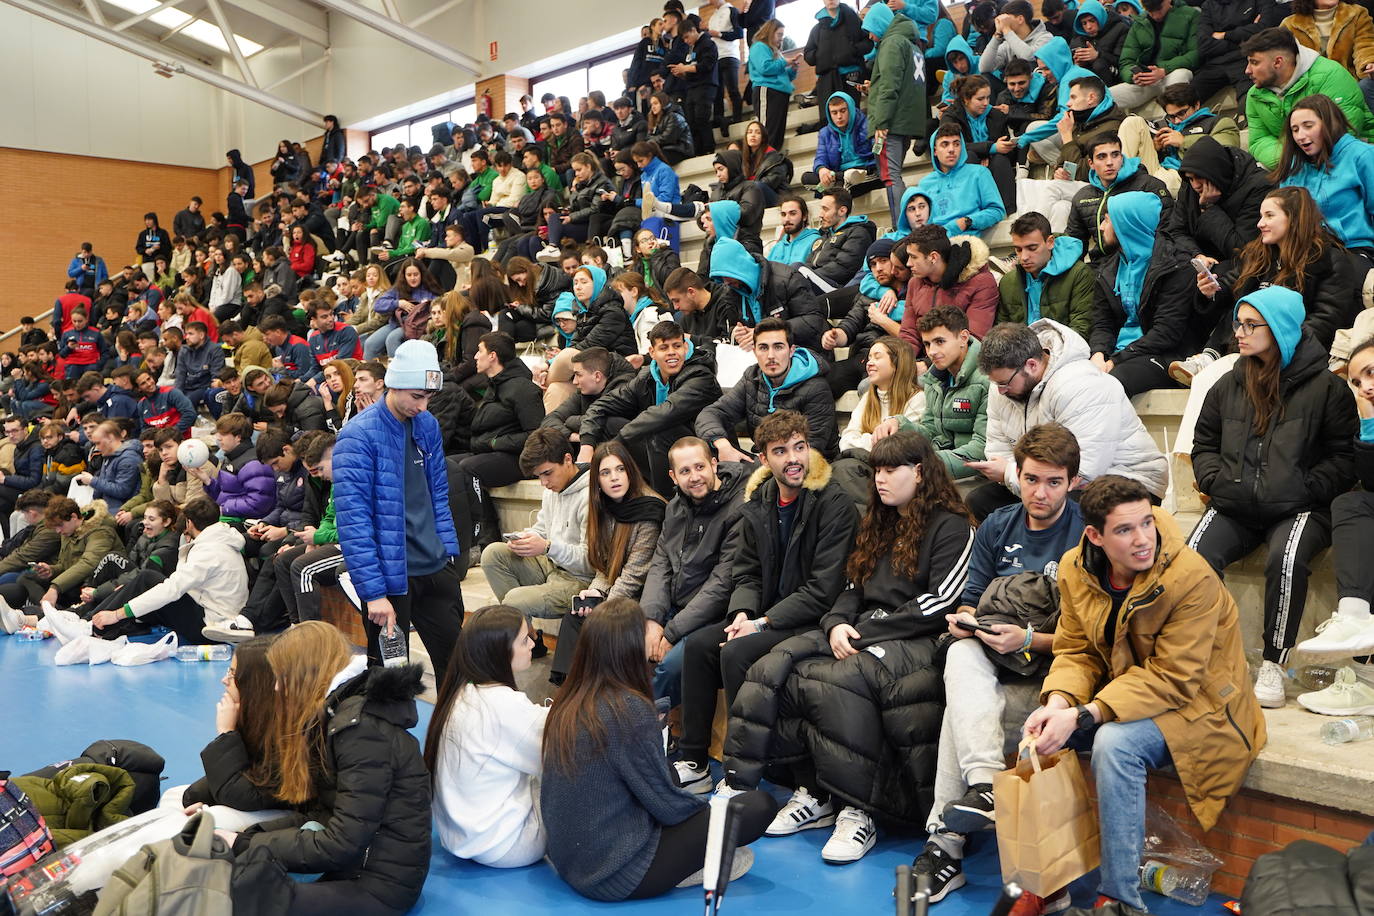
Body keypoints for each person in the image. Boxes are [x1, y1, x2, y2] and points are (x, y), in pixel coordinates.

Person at [723, 431, 973, 864]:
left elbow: (940, 602)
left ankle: (859, 811)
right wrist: (837, 622)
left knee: (839, 680)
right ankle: (764, 786)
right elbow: (852, 585)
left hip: (916, 638)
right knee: (776, 664)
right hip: (859, 628)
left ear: (919, 471)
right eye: (876, 469)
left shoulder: (952, 524)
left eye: (891, 469)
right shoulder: (879, 520)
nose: (880, 479)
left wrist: (863, 633)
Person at [1023, 475, 1265, 914]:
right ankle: (1048, 885)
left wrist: (1085, 715)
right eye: (1124, 530)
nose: (1142, 540)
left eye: (1146, 524)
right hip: (1128, 694)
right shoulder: (1076, 569)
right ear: (1095, 535)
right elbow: (1076, 650)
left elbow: (1176, 678)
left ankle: (1119, 901)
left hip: (1202, 706)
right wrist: (1058, 702)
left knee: (1114, 745)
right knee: (1034, 739)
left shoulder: (1191, 576)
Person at [910, 424, 1087, 905]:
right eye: (1031, 480)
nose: (1040, 492)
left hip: (1054, 670)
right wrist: (968, 621)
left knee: (958, 714)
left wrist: (1029, 638)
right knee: (959, 650)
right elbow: (969, 600)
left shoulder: (1087, 532)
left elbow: (1092, 639)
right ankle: (984, 786)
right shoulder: (996, 525)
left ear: (1072, 481)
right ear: (1018, 477)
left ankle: (944, 845)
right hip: (990, 656)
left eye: (1053, 482)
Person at [541, 596, 778, 901]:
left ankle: (699, 853)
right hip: (615, 872)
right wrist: (707, 821)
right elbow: (667, 805)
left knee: (675, 779)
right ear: (630, 648)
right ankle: (700, 861)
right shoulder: (628, 708)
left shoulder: (568, 700)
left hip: (569, 860)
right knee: (759, 806)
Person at [674, 410, 859, 794]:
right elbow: (747, 572)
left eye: (799, 447)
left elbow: (824, 589)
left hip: (813, 618)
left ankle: (750, 769)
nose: (793, 458)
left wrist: (761, 623)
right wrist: (742, 612)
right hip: (767, 614)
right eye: (780, 451)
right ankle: (694, 759)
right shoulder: (758, 500)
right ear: (763, 459)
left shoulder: (833, 501)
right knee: (698, 647)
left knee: (735, 652)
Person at [1188, 286, 1357, 706]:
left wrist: (1303, 488)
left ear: (1279, 328)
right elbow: (1203, 444)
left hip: (1300, 508)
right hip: (1235, 502)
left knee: (1286, 560)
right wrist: (1214, 481)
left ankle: (1274, 665)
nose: (1239, 335)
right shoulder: (1228, 383)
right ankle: (1199, 657)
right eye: (1237, 325)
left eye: (1250, 326)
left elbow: (1343, 458)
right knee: (1191, 560)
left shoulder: (1326, 388)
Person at [223, 622, 431, 915]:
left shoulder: (360, 731)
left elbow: (341, 843)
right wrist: (244, 838)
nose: (277, 687)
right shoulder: (337, 714)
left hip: (377, 884)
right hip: (355, 866)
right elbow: (321, 814)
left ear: (307, 672)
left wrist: (245, 844)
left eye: (282, 676)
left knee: (238, 901)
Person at [333, 339, 464, 681]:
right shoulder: (357, 436)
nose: (423, 406)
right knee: (391, 677)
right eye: (416, 396)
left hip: (435, 567)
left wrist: (448, 550)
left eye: (429, 397)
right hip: (391, 580)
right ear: (392, 384)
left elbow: (438, 492)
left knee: (458, 671)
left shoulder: (428, 425)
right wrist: (373, 591)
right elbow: (354, 520)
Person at [968, 320, 1169, 520]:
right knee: (980, 502)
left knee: (1061, 511)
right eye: (996, 383)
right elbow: (998, 450)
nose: (1000, 391)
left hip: (1123, 479)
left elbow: (1084, 471)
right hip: (1043, 480)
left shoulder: (1081, 384)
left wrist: (1011, 474)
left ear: (1031, 365)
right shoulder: (1003, 386)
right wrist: (1015, 475)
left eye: (1004, 383)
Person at [1173, 186, 1359, 383]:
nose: (1260, 224)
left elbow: (1327, 318)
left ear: (1294, 218)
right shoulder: (1260, 254)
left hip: (1297, 348)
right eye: (1261, 216)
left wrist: (1276, 341)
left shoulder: (1330, 259)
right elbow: (1231, 284)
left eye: (1269, 216)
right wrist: (1211, 291)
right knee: (1245, 304)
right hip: (1252, 344)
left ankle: (1213, 359)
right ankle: (1210, 356)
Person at [425, 605, 549, 868]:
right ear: (500, 652)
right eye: (524, 640)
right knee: (577, 769)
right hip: (507, 845)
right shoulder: (504, 705)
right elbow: (554, 756)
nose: (532, 644)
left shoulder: (461, 693)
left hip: (462, 836)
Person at [641, 437, 748, 707]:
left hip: (710, 618)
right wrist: (652, 620)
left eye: (700, 467)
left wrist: (671, 633)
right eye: (685, 471)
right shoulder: (674, 508)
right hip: (673, 609)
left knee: (672, 666)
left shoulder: (738, 509)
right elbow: (660, 565)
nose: (695, 477)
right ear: (673, 477)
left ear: (714, 464)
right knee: (620, 644)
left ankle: (647, 728)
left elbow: (722, 585)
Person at [549, 442, 666, 679]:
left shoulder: (649, 509)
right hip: (620, 592)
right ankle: (566, 693)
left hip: (644, 598)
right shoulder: (607, 508)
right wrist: (595, 592)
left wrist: (604, 606)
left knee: (596, 624)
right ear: (597, 481)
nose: (614, 478)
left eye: (620, 469)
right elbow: (605, 565)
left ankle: (588, 697)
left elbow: (635, 575)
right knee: (575, 616)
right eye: (605, 472)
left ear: (630, 472)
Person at [1293, 341, 1374, 670]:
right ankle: (1354, 615)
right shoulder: (1366, 415)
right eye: (1356, 381)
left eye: (1370, 373)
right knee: (1351, 505)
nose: (1364, 387)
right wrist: (1368, 428)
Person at [578, 321, 722, 495]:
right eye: (664, 348)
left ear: (685, 347)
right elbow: (602, 405)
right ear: (652, 352)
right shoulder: (646, 377)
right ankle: (629, 493)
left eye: (677, 346)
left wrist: (617, 442)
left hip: (705, 451)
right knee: (609, 423)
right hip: (664, 452)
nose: (671, 353)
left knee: (658, 430)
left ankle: (665, 503)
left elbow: (664, 414)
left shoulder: (700, 376)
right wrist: (587, 444)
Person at [81, 496, 246, 646]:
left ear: (189, 523)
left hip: (211, 628)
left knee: (147, 579)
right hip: (217, 617)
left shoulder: (209, 551)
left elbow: (173, 589)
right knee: (143, 588)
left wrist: (117, 614)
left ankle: (92, 627)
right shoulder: (222, 541)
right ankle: (89, 621)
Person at [480, 428, 593, 641]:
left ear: (568, 459)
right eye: (538, 476)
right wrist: (524, 538)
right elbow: (543, 528)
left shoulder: (590, 495)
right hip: (551, 565)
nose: (543, 482)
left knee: (513, 601)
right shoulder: (553, 489)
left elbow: (592, 563)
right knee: (492, 554)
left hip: (580, 581)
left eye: (547, 473)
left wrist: (548, 547)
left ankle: (524, 640)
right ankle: (529, 636)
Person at [1088, 191, 1198, 396]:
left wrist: (1116, 359)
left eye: (1107, 220)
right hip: (1120, 354)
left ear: (1126, 224)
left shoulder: (1176, 266)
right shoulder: (1109, 269)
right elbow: (1103, 323)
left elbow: (1166, 333)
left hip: (1165, 356)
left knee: (1110, 385)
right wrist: (1098, 355)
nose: (1102, 227)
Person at [697, 317, 839, 464]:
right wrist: (722, 444)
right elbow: (711, 413)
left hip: (809, 468)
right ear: (754, 351)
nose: (771, 356)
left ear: (791, 351)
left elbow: (810, 450)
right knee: (707, 453)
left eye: (778, 347)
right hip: (765, 460)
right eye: (763, 348)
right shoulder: (752, 377)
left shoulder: (816, 388)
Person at [1243, 26, 1374, 168]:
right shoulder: (1255, 94)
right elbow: (1259, 140)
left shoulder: (1330, 75)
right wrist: (1292, 162)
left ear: (1278, 62)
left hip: (1352, 155)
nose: (1247, 70)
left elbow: (1343, 131)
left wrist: (1299, 163)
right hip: (1294, 164)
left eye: (1254, 62)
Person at [179, 635, 282, 811]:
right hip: (254, 799)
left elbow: (244, 797)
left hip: (287, 816)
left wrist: (226, 732)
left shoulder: (285, 733)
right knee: (193, 796)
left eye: (233, 674)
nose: (224, 680)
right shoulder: (259, 717)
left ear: (256, 682)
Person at [1272, 94, 1374, 261]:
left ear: (1329, 124)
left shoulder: (1362, 155)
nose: (1300, 136)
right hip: (1304, 251)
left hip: (1352, 250)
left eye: (1308, 126)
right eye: (1295, 129)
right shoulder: (1294, 164)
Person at [832, 336, 925, 502]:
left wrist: (864, 439)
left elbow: (899, 449)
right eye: (869, 358)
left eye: (877, 357)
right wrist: (874, 439)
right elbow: (845, 441)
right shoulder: (869, 397)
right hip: (866, 467)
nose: (869, 363)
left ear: (897, 363)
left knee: (844, 471)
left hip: (897, 473)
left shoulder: (917, 399)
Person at [1162, 135, 1270, 270]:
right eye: (1190, 179)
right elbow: (1176, 231)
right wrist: (1197, 255)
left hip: (1243, 266)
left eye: (1200, 177)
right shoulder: (1190, 186)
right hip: (1200, 259)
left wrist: (1209, 208)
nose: (1195, 185)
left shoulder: (1258, 186)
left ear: (1216, 171)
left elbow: (1244, 250)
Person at [1063, 131, 1174, 262]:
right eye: (1101, 157)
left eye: (1115, 155)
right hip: (1102, 267)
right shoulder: (1082, 196)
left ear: (1122, 157)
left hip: (1145, 262)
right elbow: (1074, 243)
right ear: (1091, 163)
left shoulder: (1149, 186)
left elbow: (1169, 230)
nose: (1109, 162)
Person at [862, 1, 926, 226]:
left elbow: (890, 86)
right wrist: (874, 86)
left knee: (891, 177)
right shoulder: (912, 44)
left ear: (879, 24)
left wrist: (882, 121)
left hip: (891, 123)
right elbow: (899, 83)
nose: (870, 36)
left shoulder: (891, 43)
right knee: (895, 175)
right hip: (906, 121)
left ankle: (901, 226)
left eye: (870, 29)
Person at [708, 237, 828, 356]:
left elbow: (813, 321)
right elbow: (732, 327)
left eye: (727, 274)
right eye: (720, 277)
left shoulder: (787, 278)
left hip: (805, 352)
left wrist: (767, 332)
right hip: (764, 357)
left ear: (739, 267)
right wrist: (737, 333)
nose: (725, 281)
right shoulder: (731, 293)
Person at [821, 238, 910, 395]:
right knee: (820, 384)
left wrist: (882, 320)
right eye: (873, 264)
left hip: (892, 358)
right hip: (863, 355)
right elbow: (851, 323)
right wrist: (835, 336)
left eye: (883, 261)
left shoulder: (913, 293)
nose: (878, 268)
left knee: (869, 387)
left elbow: (911, 337)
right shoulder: (868, 294)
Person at [897, 225, 999, 361]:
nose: (908, 263)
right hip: (922, 359)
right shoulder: (915, 283)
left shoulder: (980, 282)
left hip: (958, 365)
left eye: (913, 257)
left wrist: (927, 366)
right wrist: (901, 365)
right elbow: (908, 333)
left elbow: (973, 340)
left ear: (933, 257)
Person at [997, 211, 1093, 336]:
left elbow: (1081, 329)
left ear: (1050, 242)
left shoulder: (1080, 274)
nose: (1024, 257)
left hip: (1065, 351)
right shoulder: (1007, 282)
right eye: (1018, 250)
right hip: (1020, 352)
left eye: (1032, 248)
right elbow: (1001, 332)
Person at [940, 75, 1018, 212]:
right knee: (969, 157)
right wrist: (991, 148)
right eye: (980, 99)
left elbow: (1003, 144)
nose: (986, 103)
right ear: (966, 99)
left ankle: (1008, 210)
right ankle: (970, 209)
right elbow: (955, 147)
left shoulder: (996, 114)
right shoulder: (951, 116)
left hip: (992, 159)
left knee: (1001, 160)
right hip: (963, 160)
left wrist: (991, 152)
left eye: (988, 97)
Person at [914, 126, 1007, 237]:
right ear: (935, 151)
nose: (951, 149)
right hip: (934, 242)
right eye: (945, 144)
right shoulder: (925, 184)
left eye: (956, 144)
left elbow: (997, 211)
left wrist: (966, 221)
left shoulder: (979, 173)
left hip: (966, 238)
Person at [1110, 0, 1198, 111]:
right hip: (1146, 81)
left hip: (1173, 73)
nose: (1155, 16)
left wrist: (1164, 70)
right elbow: (1126, 61)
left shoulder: (1190, 15)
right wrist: (1133, 76)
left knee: (1179, 78)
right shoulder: (1139, 23)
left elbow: (1196, 54)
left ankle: (1177, 122)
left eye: (1159, 9)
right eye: (1150, 11)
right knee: (1107, 96)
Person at [804, 0, 871, 132]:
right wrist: (822, 55)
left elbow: (868, 42)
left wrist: (851, 50)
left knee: (852, 118)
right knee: (828, 122)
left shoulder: (853, 20)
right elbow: (808, 55)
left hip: (851, 76)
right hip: (827, 80)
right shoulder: (817, 29)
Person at [799, 187, 878, 295]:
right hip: (818, 282)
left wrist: (807, 274)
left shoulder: (858, 233)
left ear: (842, 211)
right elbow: (808, 263)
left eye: (825, 209)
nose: (820, 215)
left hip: (839, 290)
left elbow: (843, 268)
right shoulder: (823, 237)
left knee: (797, 269)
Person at [803, 94, 876, 192]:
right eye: (834, 113)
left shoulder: (867, 124)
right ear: (829, 114)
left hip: (864, 170)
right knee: (807, 178)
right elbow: (820, 157)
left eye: (843, 111)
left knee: (851, 176)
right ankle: (839, 183)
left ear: (850, 109)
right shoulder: (825, 133)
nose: (839, 116)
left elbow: (877, 152)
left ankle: (834, 187)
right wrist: (822, 169)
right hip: (839, 173)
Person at [748, 19, 796, 151]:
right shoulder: (759, 47)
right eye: (779, 34)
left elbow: (782, 74)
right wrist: (784, 62)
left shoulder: (776, 51)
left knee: (777, 133)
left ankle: (773, 161)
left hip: (780, 92)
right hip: (767, 90)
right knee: (766, 131)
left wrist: (792, 69)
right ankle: (762, 161)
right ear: (770, 32)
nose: (781, 38)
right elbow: (765, 68)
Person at [979, 0, 1055, 75]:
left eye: (1006, 19)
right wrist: (997, 35)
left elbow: (1029, 58)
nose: (1003, 23)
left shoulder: (1045, 37)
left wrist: (1007, 30)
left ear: (1020, 19)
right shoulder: (1007, 44)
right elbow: (984, 68)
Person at [1070, 0, 1131, 84]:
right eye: (1084, 23)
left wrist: (1098, 55)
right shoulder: (1079, 38)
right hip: (1092, 81)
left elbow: (1122, 61)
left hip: (1116, 75)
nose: (1088, 27)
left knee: (1099, 64)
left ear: (1100, 17)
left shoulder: (1120, 29)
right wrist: (1079, 63)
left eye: (1092, 21)